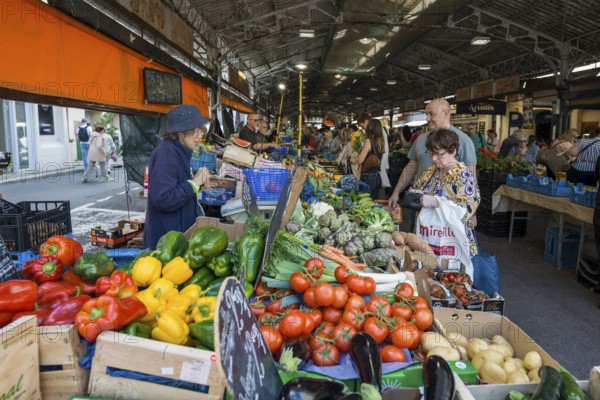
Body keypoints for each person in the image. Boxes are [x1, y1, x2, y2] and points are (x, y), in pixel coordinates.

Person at [142, 104, 212, 250]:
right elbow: (163, 198)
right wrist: (194, 183)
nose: (200, 135)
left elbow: (178, 186)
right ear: (181, 132)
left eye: (200, 130)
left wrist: (197, 184)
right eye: (196, 131)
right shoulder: (166, 155)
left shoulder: (179, 150)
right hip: (166, 241)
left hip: (175, 237)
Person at [389, 98, 477, 210]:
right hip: (419, 206)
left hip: (450, 212)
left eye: (431, 114)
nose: (427, 118)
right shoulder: (421, 139)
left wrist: (472, 212)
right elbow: (411, 167)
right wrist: (396, 192)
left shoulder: (464, 141)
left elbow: (472, 178)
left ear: (446, 113)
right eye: (426, 114)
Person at [408, 128, 480, 260]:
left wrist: (437, 202)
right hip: (428, 238)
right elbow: (416, 188)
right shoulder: (431, 172)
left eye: (439, 154)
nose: (434, 159)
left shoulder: (464, 176)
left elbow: (466, 209)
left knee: (449, 277)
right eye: (431, 154)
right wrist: (416, 194)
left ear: (453, 151)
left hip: (452, 244)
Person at [351, 119, 384, 199]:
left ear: (370, 128)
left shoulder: (368, 141)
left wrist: (353, 160)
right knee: (373, 203)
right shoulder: (381, 140)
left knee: (365, 203)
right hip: (378, 177)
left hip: (368, 178)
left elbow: (360, 160)